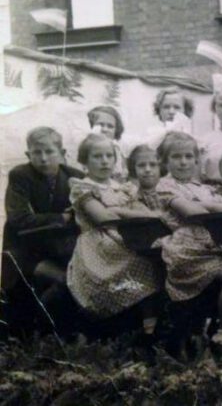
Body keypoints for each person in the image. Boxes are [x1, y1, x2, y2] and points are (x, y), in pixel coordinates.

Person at [66, 134, 163, 337]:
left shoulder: (123, 187)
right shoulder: (83, 187)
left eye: (109, 156)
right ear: (84, 161)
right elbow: (104, 217)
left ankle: (158, 320)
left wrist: (123, 211)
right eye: (97, 156)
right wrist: (124, 212)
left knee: (163, 254)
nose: (105, 161)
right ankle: (148, 327)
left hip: (129, 237)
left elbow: (145, 212)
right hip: (100, 244)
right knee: (142, 262)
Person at [154, 131, 222, 349]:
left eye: (188, 156)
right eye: (176, 157)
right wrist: (211, 206)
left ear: (196, 160)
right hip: (186, 249)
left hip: (211, 245)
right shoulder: (166, 186)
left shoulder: (203, 188)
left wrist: (203, 203)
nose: (183, 162)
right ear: (165, 161)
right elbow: (192, 212)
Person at [2, 127, 84, 332]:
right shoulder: (20, 175)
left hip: (61, 249)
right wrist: (61, 217)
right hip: (26, 250)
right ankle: (34, 326)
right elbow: (18, 218)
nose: (44, 158)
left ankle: (53, 329)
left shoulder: (74, 177)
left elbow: (83, 215)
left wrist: (72, 217)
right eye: (37, 153)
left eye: (49, 151)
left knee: (81, 280)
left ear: (62, 153)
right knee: (64, 280)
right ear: (28, 154)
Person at [87, 105, 128, 181]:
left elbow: (121, 174)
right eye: (100, 125)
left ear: (116, 130)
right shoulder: (86, 148)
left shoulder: (117, 150)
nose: (105, 130)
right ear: (91, 126)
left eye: (110, 126)